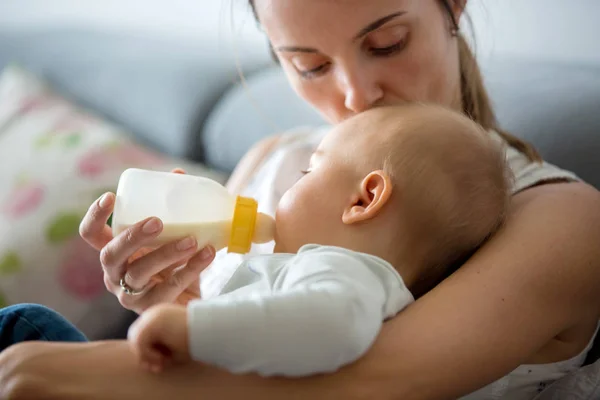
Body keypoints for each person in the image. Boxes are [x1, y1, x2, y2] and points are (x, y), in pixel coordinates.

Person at [0, 0, 599, 399]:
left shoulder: (561, 219)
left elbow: (366, 380)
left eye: (387, 42)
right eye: (309, 65)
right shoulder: (272, 162)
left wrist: (108, 373)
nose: (357, 94)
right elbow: (227, 353)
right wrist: (169, 299)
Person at [128, 104, 510, 377]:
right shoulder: (323, 271)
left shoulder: (342, 268)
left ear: (363, 200)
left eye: (307, 170)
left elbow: (334, 325)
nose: (283, 190)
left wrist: (195, 329)